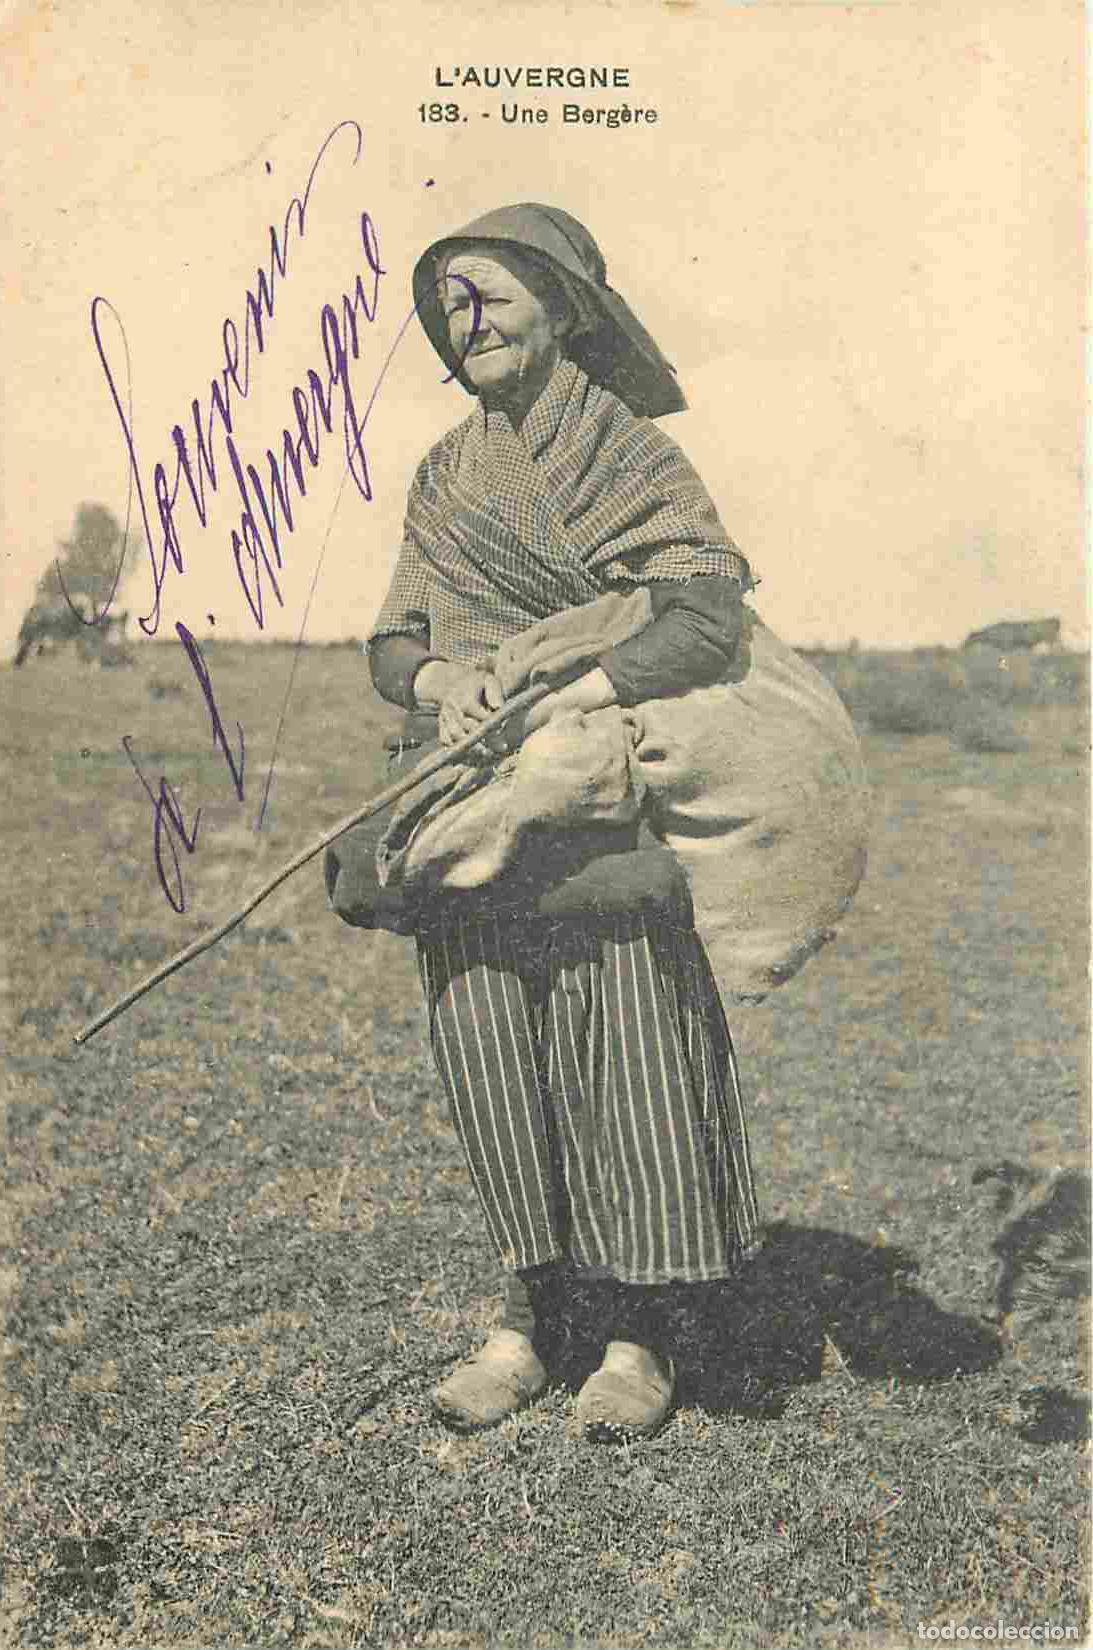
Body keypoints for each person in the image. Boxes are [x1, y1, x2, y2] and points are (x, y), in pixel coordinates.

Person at [362, 204, 762, 1441]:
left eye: (486, 294)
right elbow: (393, 646)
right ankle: (529, 1319)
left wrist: (565, 686)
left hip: (596, 799)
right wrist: (440, 685)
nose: (463, 321)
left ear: (565, 303)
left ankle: (638, 1343)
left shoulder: (632, 457)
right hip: (472, 800)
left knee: (627, 1058)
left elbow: (707, 624)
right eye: (448, 307)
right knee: (488, 1050)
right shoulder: (445, 471)